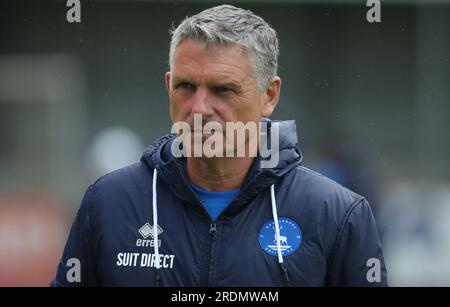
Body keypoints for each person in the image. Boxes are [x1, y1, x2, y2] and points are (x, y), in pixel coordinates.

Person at [51, 4, 387, 287]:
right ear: (169, 85)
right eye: (185, 86)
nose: (199, 109)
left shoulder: (337, 215)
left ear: (269, 95)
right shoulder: (107, 204)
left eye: (222, 89)